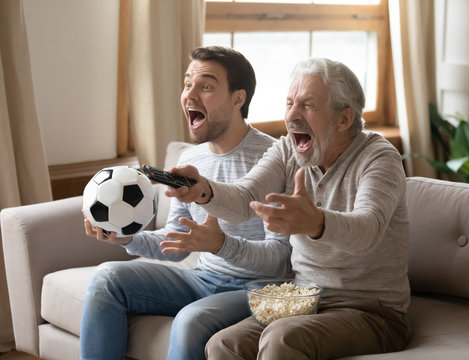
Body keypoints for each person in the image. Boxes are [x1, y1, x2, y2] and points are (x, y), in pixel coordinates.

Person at [169, 58, 411, 359]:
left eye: (307, 105)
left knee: (281, 338)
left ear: (344, 119)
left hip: (372, 311)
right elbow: (245, 198)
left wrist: (316, 223)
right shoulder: (288, 150)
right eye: (289, 103)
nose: (292, 116)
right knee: (223, 344)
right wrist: (203, 190)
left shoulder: (378, 158)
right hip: (303, 299)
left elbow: (368, 230)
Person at [80, 46, 292, 360]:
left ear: (238, 99)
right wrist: (126, 237)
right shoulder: (190, 159)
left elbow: (281, 258)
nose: (190, 95)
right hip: (202, 278)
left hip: (260, 289)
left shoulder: (275, 159)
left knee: (191, 320)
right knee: (107, 278)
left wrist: (221, 244)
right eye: (187, 83)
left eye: (206, 86)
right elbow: (177, 244)